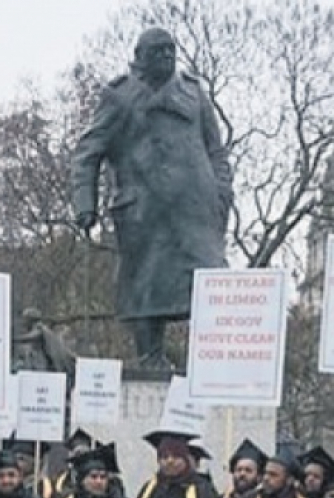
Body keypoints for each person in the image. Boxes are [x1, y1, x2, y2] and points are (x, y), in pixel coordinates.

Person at [70, 26, 233, 370]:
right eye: (158, 51)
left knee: (209, 287)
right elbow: (88, 151)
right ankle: (150, 358)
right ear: (140, 56)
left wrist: (221, 195)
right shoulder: (119, 96)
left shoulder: (193, 93)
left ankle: (212, 362)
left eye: (170, 50)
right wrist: (85, 203)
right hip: (144, 212)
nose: (166, 56)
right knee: (145, 287)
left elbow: (216, 151)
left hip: (196, 212)